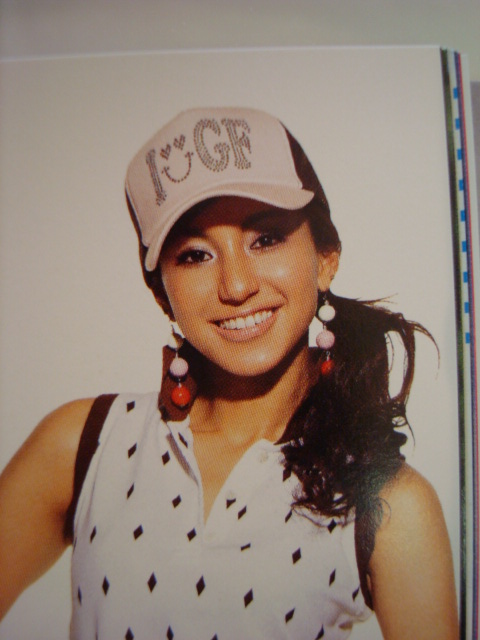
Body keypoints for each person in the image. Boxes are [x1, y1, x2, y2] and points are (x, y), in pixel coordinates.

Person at [0, 107, 459, 639]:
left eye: (266, 239)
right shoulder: (82, 445)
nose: (236, 286)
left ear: (326, 257)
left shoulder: (390, 504)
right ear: (162, 292)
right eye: (195, 255)